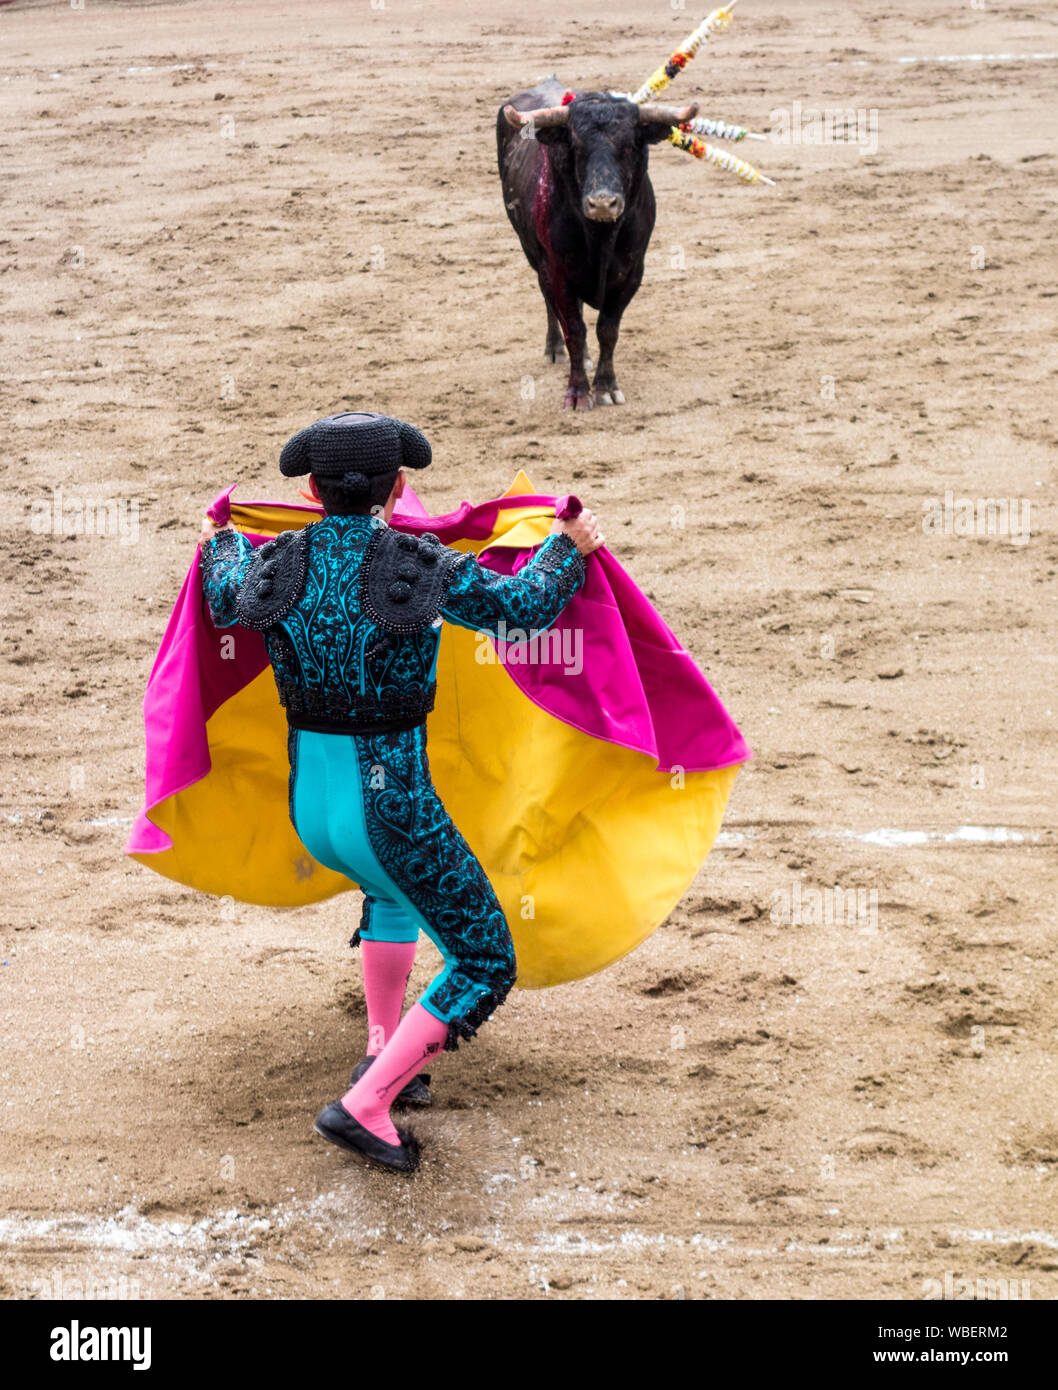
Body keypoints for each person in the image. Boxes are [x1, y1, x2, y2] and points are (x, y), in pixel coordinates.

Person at [198, 411, 603, 1173]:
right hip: (392, 807)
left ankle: (386, 1054)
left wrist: (220, 531)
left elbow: (221, 589)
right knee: (485, 961)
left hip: (313, 810)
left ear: (313, 490)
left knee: (389, 898)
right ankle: (368, 1103)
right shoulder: (418, 562)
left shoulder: (274, 561)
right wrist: (566, 549)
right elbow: (520, 611)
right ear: (400, 488)